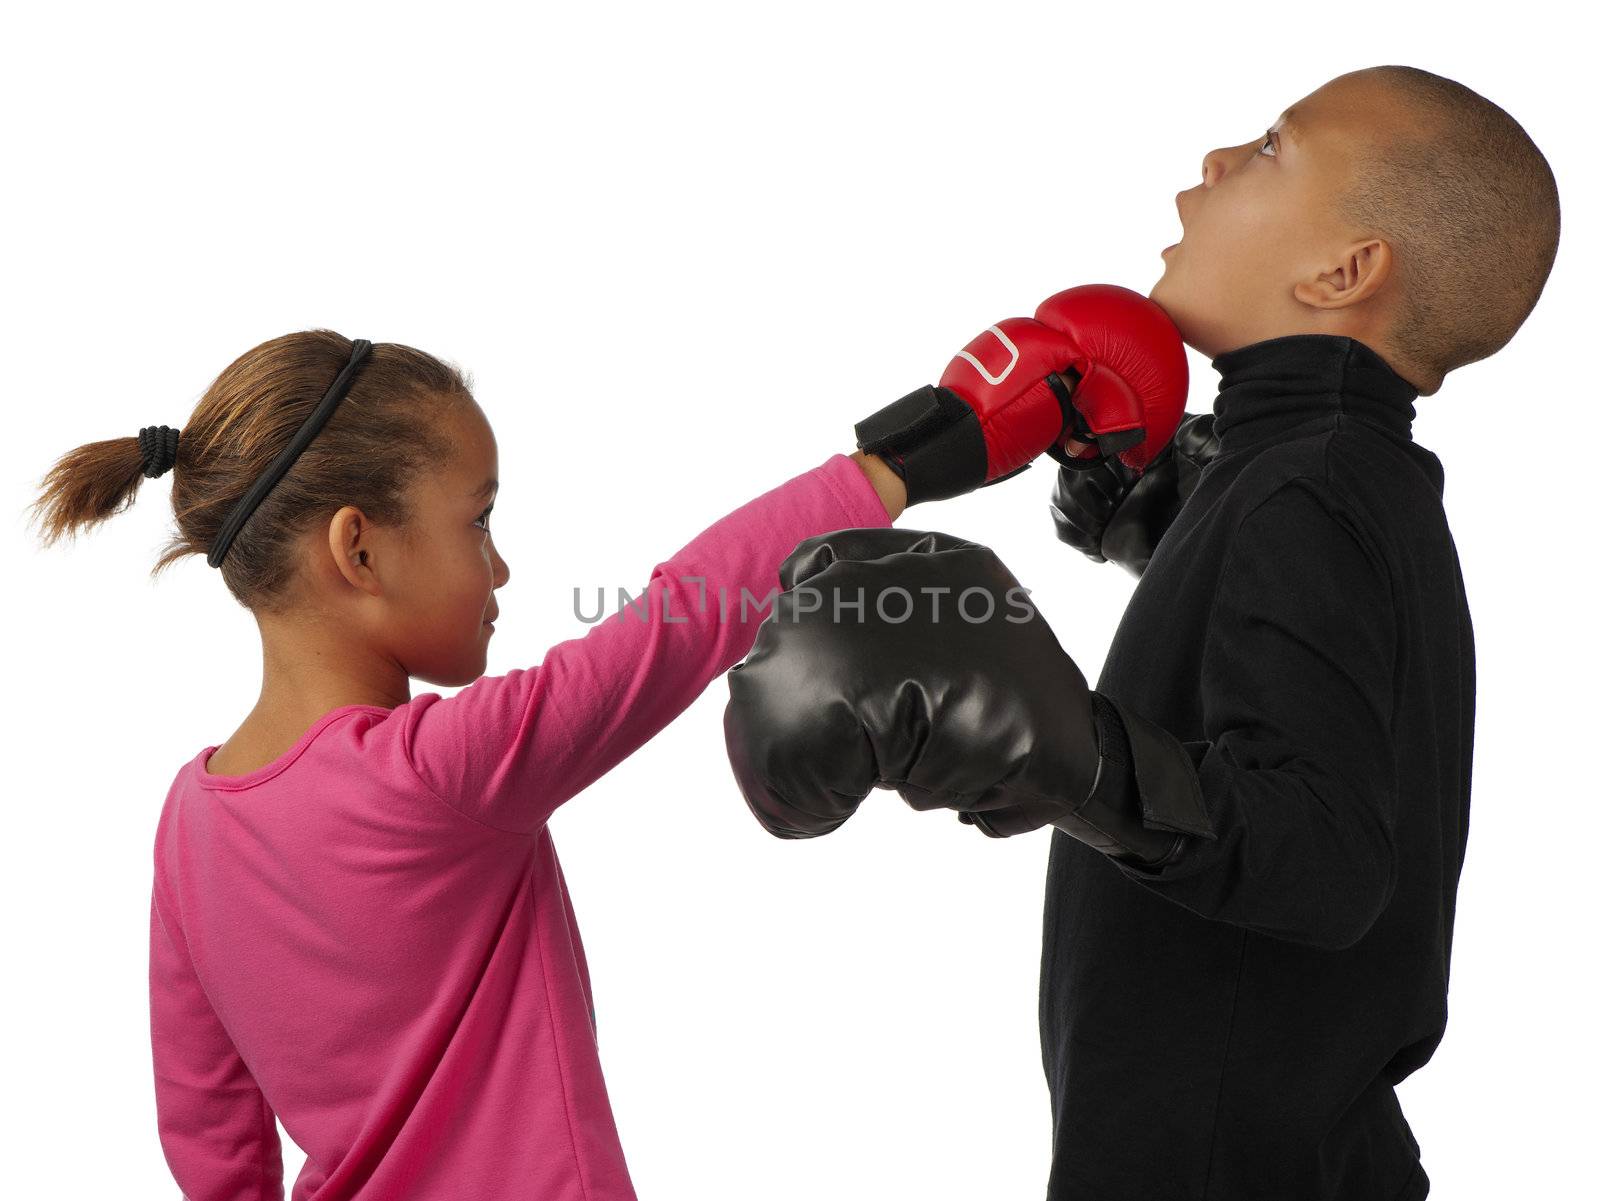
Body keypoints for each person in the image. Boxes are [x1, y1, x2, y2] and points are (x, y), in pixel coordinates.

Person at [25, 286, 1185, 1199]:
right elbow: (675, 623)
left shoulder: (191, 823)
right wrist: (918, 453)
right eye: (478, 521)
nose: (501, 568)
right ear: (357, 551)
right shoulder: (439, 775)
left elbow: (209, 1138)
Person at [722, 64, 1559, 1200]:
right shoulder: (1320, 475)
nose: (1213, 165)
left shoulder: (1307, 488)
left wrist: (1079, 756)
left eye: (1270, 147)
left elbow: (1327, 854)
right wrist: (1164, 530)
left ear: (1343, 271)